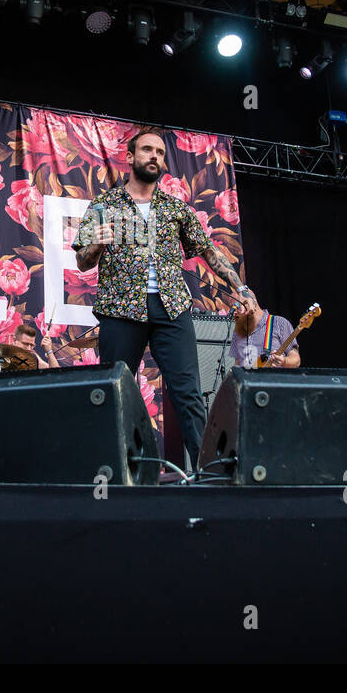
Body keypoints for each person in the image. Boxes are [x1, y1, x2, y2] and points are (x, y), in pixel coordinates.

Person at [72, 127, 253, 468]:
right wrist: (97, 243)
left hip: (171, 308)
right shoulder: (104, 205)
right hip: (121, 310)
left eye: (159, 152)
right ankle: (115, 472)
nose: (154, 156)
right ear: (130, 157)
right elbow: (82, 261)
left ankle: (208, 472)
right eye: (147, 150)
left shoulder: (175, 208)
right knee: (116, 393)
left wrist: (240, 288)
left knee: (188, 395)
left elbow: (208, 252)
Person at [230, 294, 300, 369]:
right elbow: (237, 364)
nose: (234, 312)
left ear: (250, 304)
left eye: (237, 307)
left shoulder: (279, 323)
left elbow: (296, 360)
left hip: (273, 379)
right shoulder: (237, 332)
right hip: (247, 380)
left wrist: (284, 361)